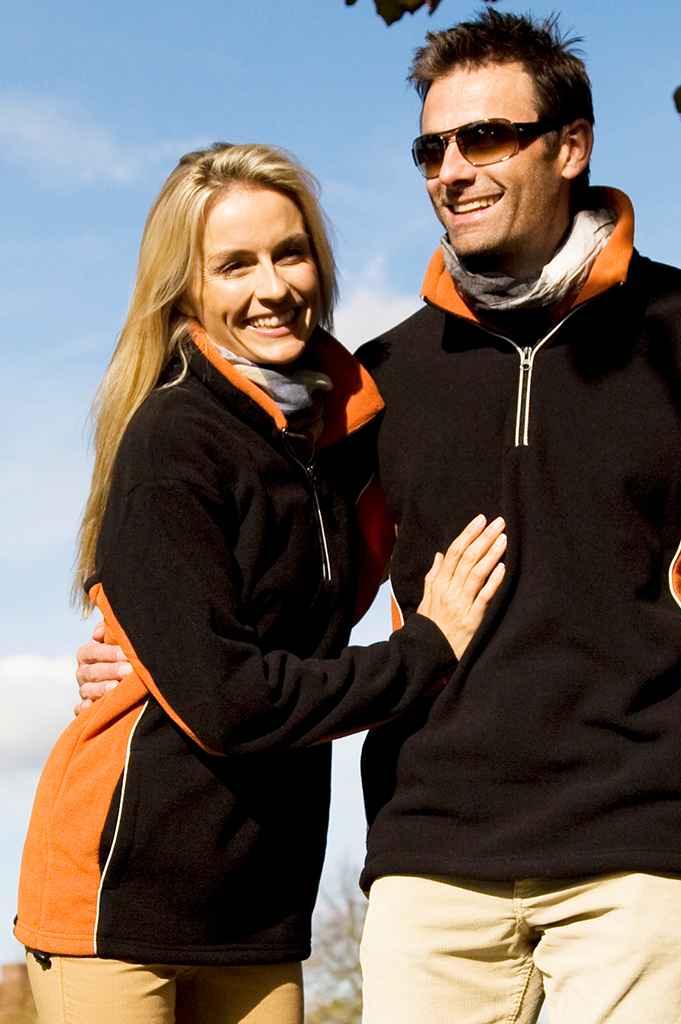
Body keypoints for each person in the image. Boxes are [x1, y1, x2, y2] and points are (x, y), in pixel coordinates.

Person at [77, 11, 681, 1024]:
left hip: (635, 851)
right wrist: (137, 634)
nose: (452, 170)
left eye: (485, 138)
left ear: (570, 145)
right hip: (428, 862)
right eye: (431, 149)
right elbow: (274, 567)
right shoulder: (383, 377)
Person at [16, 141, 507, 1024]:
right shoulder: (175, 439)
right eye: (234, 265)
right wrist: (427, 651)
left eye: (290, 253)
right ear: (186, 288)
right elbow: (229, 703)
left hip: (261, 905)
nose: (272, 287)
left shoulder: (333, 437)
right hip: (118, 902)